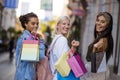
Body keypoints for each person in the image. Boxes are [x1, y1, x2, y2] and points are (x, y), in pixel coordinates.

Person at [14, 12, 45, 80]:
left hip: (24, 75)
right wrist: (42, 40)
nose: (36, 26)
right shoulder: (26, 38)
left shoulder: (29, 37)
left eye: (37, 23)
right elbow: (41, 56)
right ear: (26, 24)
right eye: (33, 23)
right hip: (25, 77)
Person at [48, 16, 80, 80]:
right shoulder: (62, 40)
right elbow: (65, 61)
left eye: (68, 24)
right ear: (58, 25)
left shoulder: (55, 39)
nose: (67, 26)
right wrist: (73, 48)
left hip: (55, 76)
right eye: (64, 24)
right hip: (61, 76)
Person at [86, 12, 113, 80]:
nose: (98, 23)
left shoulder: (103, 41)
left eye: (103, 22)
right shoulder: (102, 38)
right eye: (98, 20)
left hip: (96, 76)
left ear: (107, 25)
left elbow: (95, 66)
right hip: (97, 75)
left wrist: (94, 48)